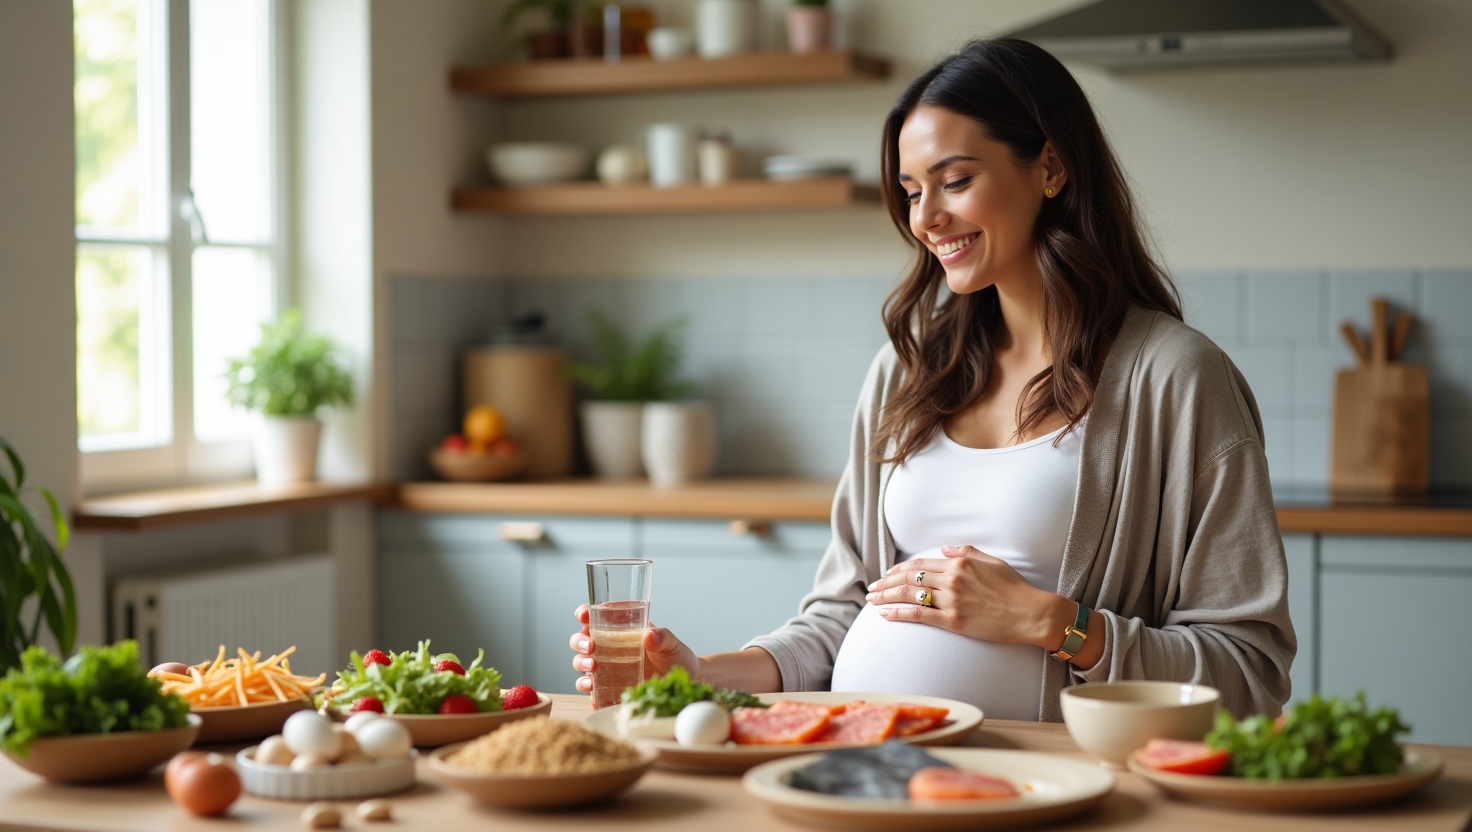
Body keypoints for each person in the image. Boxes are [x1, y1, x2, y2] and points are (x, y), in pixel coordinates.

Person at [570, 38, 1294, 722]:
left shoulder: (1174, 379)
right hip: (866, 767)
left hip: (1048, 786)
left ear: (1050, 167)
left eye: (956, 181)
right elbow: (839, 615)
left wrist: (1052, 623)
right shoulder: (906, 374)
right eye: (911, 191)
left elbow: (1249, 672)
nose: (927, 218)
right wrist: (703, 675)